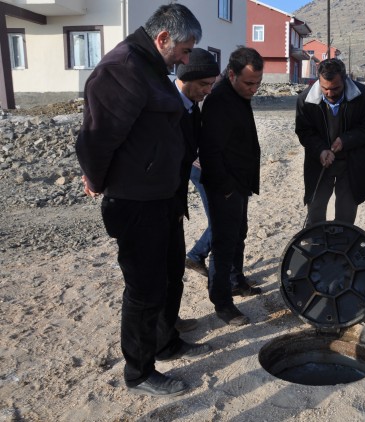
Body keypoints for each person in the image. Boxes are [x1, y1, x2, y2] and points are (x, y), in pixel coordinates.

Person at [75, 4, 212, 397]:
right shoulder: (122, 69)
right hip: (135, 202)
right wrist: (98, 181)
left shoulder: (150, 65)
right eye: (185, 50)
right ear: (162, 38)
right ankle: (139, 371)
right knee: (144, 289)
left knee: (170, 273)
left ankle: (166, 342)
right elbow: (96, 139)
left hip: (161, 196)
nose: (187, 60)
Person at [198, 46, 264, 327]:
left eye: (258, 83)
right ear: (232, 74)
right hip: (225, 186)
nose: (254, 89)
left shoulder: (239, 94)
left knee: (239, 234)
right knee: (224, 244)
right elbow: (210, 151)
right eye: (249, 83)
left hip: (239, 182)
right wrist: (226, 188)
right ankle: (222, 303)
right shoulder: (219, 99)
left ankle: (237, 281)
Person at [295, 58, 365, 226]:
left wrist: (346, 140)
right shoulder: (306, 100)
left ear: (345, 79)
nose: (329, 93)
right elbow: (304, 131)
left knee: (346, 212)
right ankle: (316, 246)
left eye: (335, 88)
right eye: (325, 89)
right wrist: (321, 150)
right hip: (320, 162)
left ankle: (342, 248)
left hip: (353, 162)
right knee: (316, 208)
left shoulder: (364, 96)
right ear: (318, 82)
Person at [173, 48, 220, 332]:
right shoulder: (165, 104)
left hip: (173, 199)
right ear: (188, 77)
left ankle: (169, 325)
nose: (207, 91)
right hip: (157, 200)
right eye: (204, 85)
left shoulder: (191, 106)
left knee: (170, 270)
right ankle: (163, 334)